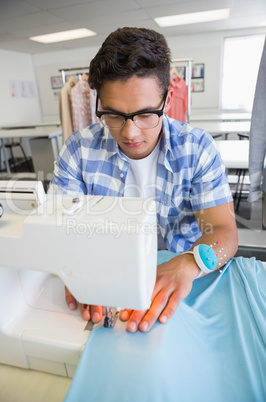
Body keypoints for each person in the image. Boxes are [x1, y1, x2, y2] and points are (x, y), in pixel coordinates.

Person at [49, 27, 238, 333]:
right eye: (113, 115)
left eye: (147, 114)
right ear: (98, 102)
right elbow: (60, 228)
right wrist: (76, 267)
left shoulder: (197, 148)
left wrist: (190, 263)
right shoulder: (78, 150)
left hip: (187, 283)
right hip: (106, 275)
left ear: (168, 98)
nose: (130, 133)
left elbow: (224, 231)